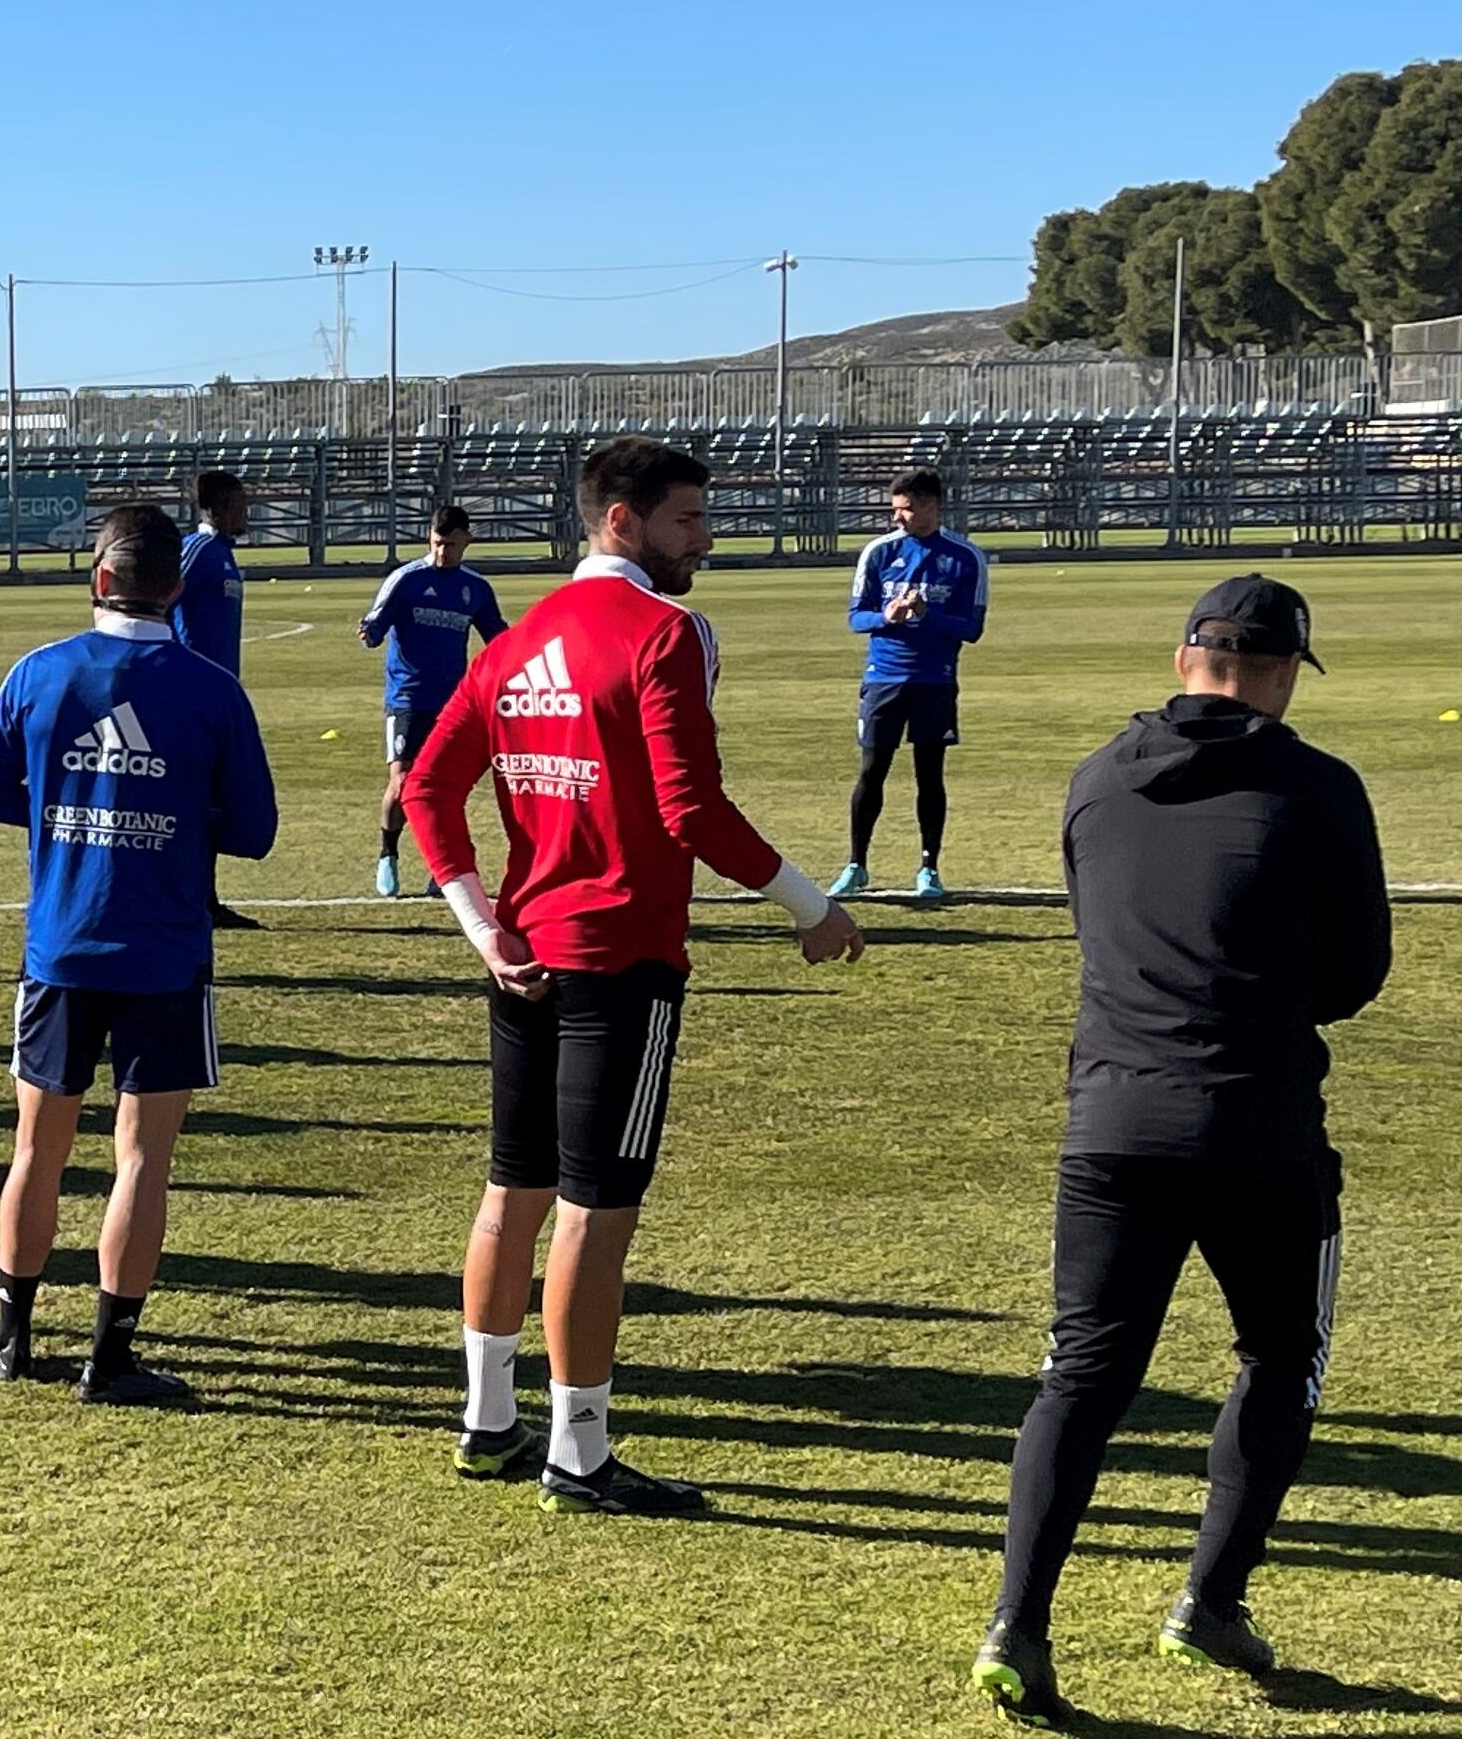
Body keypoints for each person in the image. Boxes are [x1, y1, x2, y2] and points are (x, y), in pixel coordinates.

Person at [402, 438, 864, 1511]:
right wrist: (811, 906)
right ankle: (580, 1452)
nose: (704, 539)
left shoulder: (515, 643)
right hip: (619, 956)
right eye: (688, 520)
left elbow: (426, 790)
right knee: (593, 1211)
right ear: (624, 522)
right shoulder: (667, 633)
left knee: (510, 1189)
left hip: (523, 951)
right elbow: (688, 807)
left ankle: (488, 1423)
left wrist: (480, 924)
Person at [974, 577, 1388, 1720]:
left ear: (1184, 659)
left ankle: (1017, 1621)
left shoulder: (1098, 775)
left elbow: (1094, 917)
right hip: (1257, 1125)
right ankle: (1210, 1600)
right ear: (1283, 671)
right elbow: (1357, 976)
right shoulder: (1316, 788)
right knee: (1278, 1355)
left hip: (1109, 1120)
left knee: (1081, 1377)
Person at [0, 499, 280, 1404]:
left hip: (61, 946)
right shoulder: (213, 688)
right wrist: (169, 817)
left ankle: (12, 1337)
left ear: (97, 578)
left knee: (38, 1148)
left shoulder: (39, 673)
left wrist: (74, 805)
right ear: (176, 590)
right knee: (142, 1156)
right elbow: (254, 830)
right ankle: (110, 1355)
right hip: (167, 952)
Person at [833, 468, 989, 902]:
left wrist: (926, 614)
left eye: (905, 509)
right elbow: (856, 617)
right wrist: (888, 617)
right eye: (894, 510)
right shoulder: (879, 553)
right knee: (871, 772)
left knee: (930, 777)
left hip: (934, 682)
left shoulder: (965, 557)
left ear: (930, 506)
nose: (897, 518)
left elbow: (972, 628)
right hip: (883, 678)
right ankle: (856, 864)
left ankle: (929, 868)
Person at [358, 502, 508, 897]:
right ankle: (387, 853)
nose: (443, 552)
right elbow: (377, 620)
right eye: (438, 543)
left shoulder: (474, 589)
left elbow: (499, 639)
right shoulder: (407, 579)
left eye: (452, 545)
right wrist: (371, 632)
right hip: (407, 698)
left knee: (442, 787)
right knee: (403, 783)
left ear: (467, 541)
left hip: (452, 703)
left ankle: (439, 872)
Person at [166, 469, 263, 930]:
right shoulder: (198, 551)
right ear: (222, 508)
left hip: (219, 697)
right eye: (241, 504)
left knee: (211, 802)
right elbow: (158, 600)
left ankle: (205, 898)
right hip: (190, 698)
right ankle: (191, 898)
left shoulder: (223, 554)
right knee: (191, 800)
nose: (247, 512)